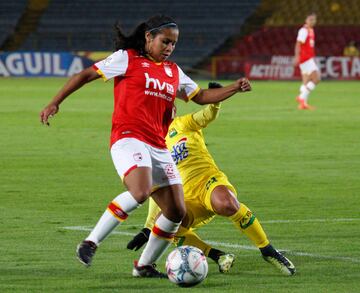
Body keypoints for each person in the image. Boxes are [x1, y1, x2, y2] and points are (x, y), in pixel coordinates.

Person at [39, 15, 252, 278]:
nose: (169, 48)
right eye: (165, 41)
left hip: (159, 146)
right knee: (140, 192)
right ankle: (91, 242)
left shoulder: (174, 72)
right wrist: (55, 102)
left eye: (173, 44)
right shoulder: (127, 58)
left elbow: (201, 96)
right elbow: (85, 75)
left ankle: (144, 266)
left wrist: (234, 88)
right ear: (148, 37)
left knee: (176, 211)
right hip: (128, 137)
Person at [127, 82, 296, 276]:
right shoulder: (149, 143)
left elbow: (206, 115)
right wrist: (149, 228)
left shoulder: (182, 124)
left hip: (208, 182)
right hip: (185, 199)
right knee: (166, 222)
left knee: (227, 204)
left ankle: (268, 250)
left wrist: (216, 102)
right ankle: (216, 254)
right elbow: (158, 189)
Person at [293, 12, 320, 110]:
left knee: (306, 81)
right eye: (310, 19)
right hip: (305, 59)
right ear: (306, 20)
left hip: (308, 58)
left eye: (314, 19)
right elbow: (298, 44)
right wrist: (296, 56)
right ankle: (301, 97)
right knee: (316, 78)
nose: (312, 21)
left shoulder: (311, 30)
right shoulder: (303, 30)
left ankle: (303, 104)